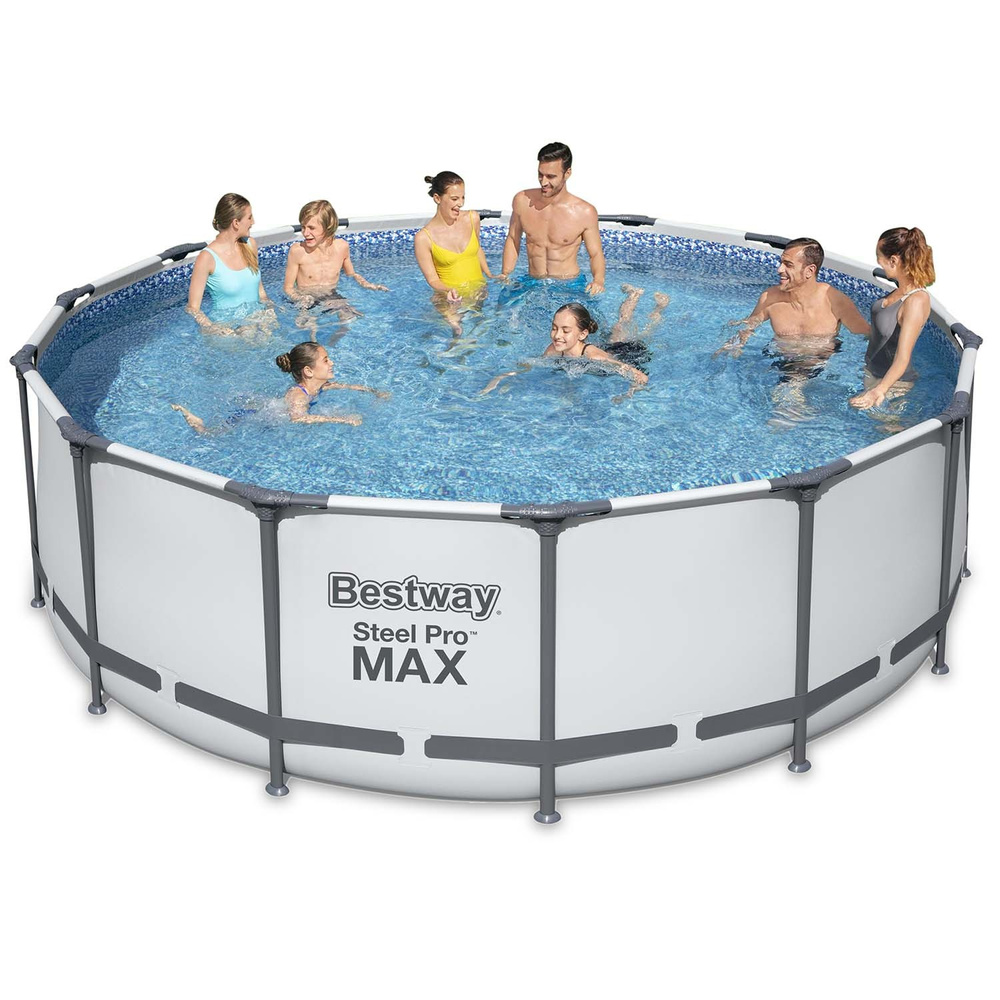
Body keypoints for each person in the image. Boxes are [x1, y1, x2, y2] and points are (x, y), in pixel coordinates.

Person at [480, 286, 668, 397]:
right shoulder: (554, 349)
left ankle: (656, 308)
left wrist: (628, 394)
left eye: (565, 330)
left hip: (626, 353)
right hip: (605, 348)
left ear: (582, 334)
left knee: (631, 329)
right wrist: (501, 378)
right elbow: (531, 364)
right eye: (554, 328)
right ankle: (634, 295)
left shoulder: (594, 357)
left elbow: (639, 376)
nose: (557, 335)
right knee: (618, 328)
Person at [171, 342, 387, 433]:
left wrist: (373, 392)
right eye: (326, 360)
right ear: (308, 371)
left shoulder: (319, 386)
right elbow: (298, 418)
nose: (332, 363)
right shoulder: (298, 396)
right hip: (254, 415)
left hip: (266, 408)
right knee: (212, 434)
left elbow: (342, 386)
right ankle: (195, 420)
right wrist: (341, 419)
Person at [500, 141, 606, 295]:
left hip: (569, 284)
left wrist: (598, 280)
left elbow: (595, 253)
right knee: (499, 307)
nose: (543, 182)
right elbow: (512, 238)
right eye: (540, 174)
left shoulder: (584, 212)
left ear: (567, 173)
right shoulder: (522, 201)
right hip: (532, 281)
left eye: (550, 176)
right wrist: (505, 273)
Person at [849, 227, 935, 410]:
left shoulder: (916, 301)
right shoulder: (898, 292)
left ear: (893, 261)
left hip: (895, 383)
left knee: (887, 424)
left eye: (879, 256)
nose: (877, 262)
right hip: (873, 373)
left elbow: (903, 357)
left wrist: (880, 390)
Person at [284, 200, 388, 339]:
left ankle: (333, 346)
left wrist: (367, 284)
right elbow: (288, 288)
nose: (305, 233)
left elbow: (351, 274)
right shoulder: (298, 251)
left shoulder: (341, 247)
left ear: (328, 227)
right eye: (303, 227)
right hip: (306, 300)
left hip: (332, 296)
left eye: (311, 228)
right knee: (308, 330)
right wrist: (299, 298)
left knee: (353, 320)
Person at [414, 171, 494, 336]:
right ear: (437, 198)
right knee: (458, 334)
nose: (461, 204)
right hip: (450, 300)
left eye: (463, 198)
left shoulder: (472, 218)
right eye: (454, 199)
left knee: (481, 333)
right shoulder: (424, 238)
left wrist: (490, 274)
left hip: (479, 293)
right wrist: (448, 290)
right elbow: (433, 279)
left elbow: (477, 249)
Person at [187, 193, 273, 334]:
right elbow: (193, 308)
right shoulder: (207, 258)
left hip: (257, 322)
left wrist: (270, 309)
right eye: (249, 217)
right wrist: (214, 328)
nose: (253, 222)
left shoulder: (250, 245)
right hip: (226, 330)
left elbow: (261, 291)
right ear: (236, 223)